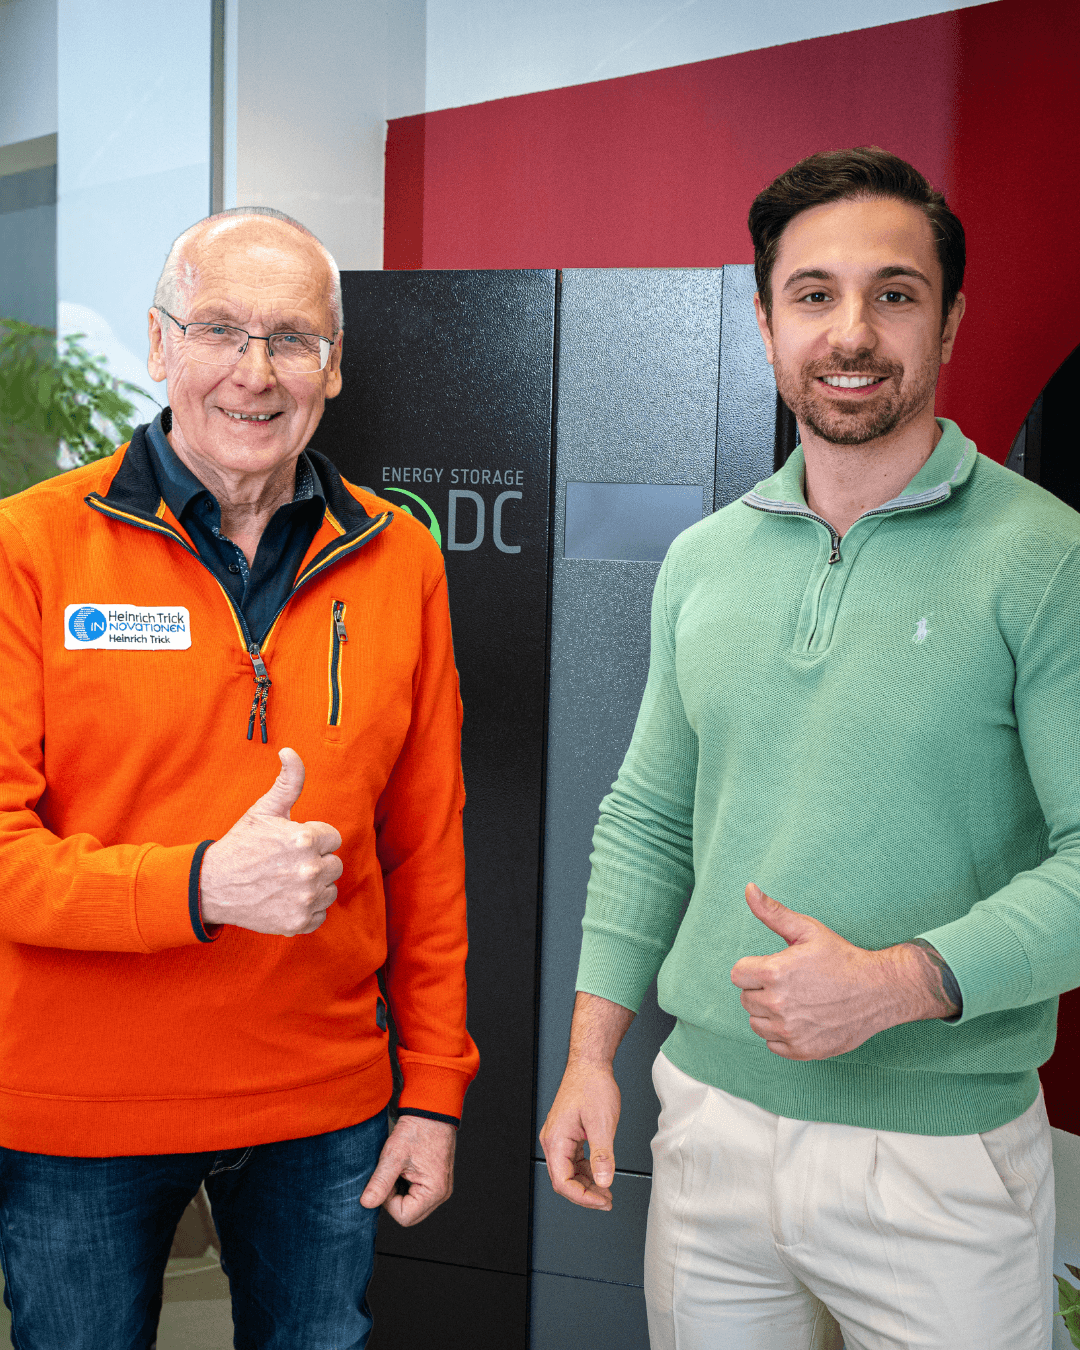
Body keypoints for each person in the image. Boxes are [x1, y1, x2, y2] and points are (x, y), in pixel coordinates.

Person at [540, 147, 1077, 1350]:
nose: (852, 333)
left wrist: (900, 982)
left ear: (949, 323)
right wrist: (590, 1058)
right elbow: (648, 821)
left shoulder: (1047, 560)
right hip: (710, 1125)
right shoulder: (704, 560)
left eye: (895, 294)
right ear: (766, 321)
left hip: (938, 1159)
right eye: (815, 294)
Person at [0, 206, 478, 1349]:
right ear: (159, 345)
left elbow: (426, 849)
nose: (254, 373)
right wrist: (203, 886)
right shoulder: (28, 549)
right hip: (78, 1113)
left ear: (334, 366)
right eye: (219, 329)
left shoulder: (398, 556)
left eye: (292, 338)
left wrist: (433, 1090)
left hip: (323, 1108)